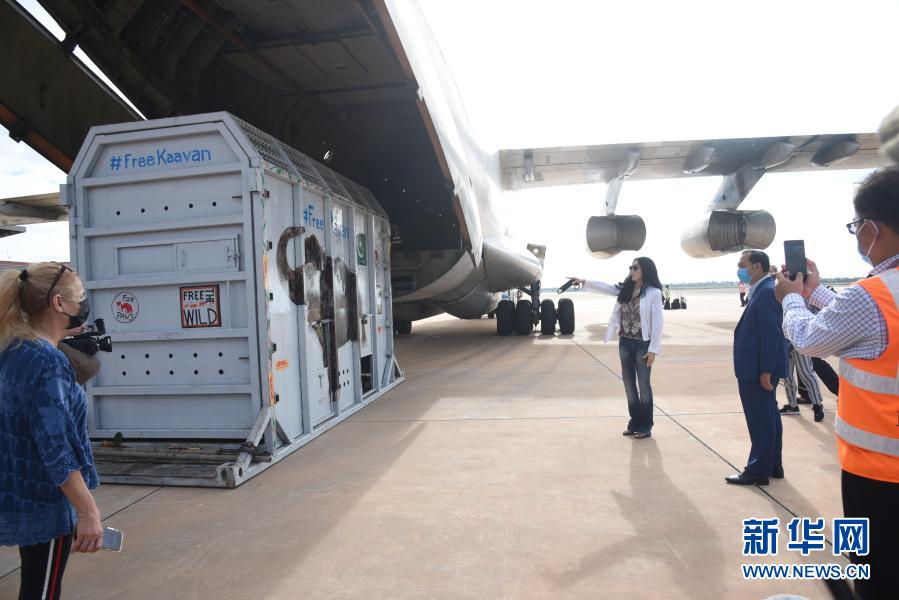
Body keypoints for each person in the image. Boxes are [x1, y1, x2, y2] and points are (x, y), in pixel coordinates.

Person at [774, 166, 899, 600]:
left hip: (880, 473)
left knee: (879, 579)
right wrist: (815, 292)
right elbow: (866, 324)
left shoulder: (875, 294)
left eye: (855, 226)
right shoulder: (875, 298)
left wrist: (792, 298)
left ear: (872, 229)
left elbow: (810, 339)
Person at [0, 262, 103, 599]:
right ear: (59, 304)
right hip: (44, 501)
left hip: (15, 492)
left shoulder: (13, 348)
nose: (83, 304)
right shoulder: (49, 362)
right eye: (80, 297)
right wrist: (87, 511)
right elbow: (56, 448)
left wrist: (58, 335)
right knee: (41, 591)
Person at [568, 257, 664, 439]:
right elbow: (605, 287)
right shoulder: (625, 289)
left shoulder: (654, 293)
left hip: (643, 345)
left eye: (635, 268)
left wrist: (653, 349)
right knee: (628, 384)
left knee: (644, 385)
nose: (631, 270)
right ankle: (635, 421)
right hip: (625, 343)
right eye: (630, 267)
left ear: (645, 270)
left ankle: (646, 425)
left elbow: (658, 322)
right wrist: (583, 281)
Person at [727, 250, 788, 485]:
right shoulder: (762, 290)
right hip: (756, 368)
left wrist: (766, 371)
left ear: (757, 267)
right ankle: (773, 464)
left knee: (760, 420)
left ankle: (757, 470)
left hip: (757, 370)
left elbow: (771, 335)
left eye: (742, 265)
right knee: (769, 416)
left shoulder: (765, 292)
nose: (739, 270)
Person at [779, 341, 826, 422]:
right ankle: (792, 405)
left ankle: (817, 405)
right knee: (786, 376)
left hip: (799, 342)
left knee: (806, 374)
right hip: (784, 342)